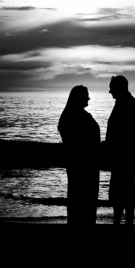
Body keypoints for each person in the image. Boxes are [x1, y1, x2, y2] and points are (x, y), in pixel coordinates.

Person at [105, 76, 135, 225]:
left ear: (120, 87)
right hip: (123, 157)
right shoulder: (125, 104)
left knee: (124, 191)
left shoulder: (130, 106)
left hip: (125, 158)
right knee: (123, 190)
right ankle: (123, 221)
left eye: (112, 87)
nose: (109, 91)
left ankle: (125, 222)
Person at [57, 85, 100, 224]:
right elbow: (76, 144)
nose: (89, 97)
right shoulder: (75, 117)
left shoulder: (73, 115)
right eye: (86, 95)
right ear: (78, 97)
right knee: (83, 200)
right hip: (83, 166)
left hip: (83, 165)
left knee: (79, 199)